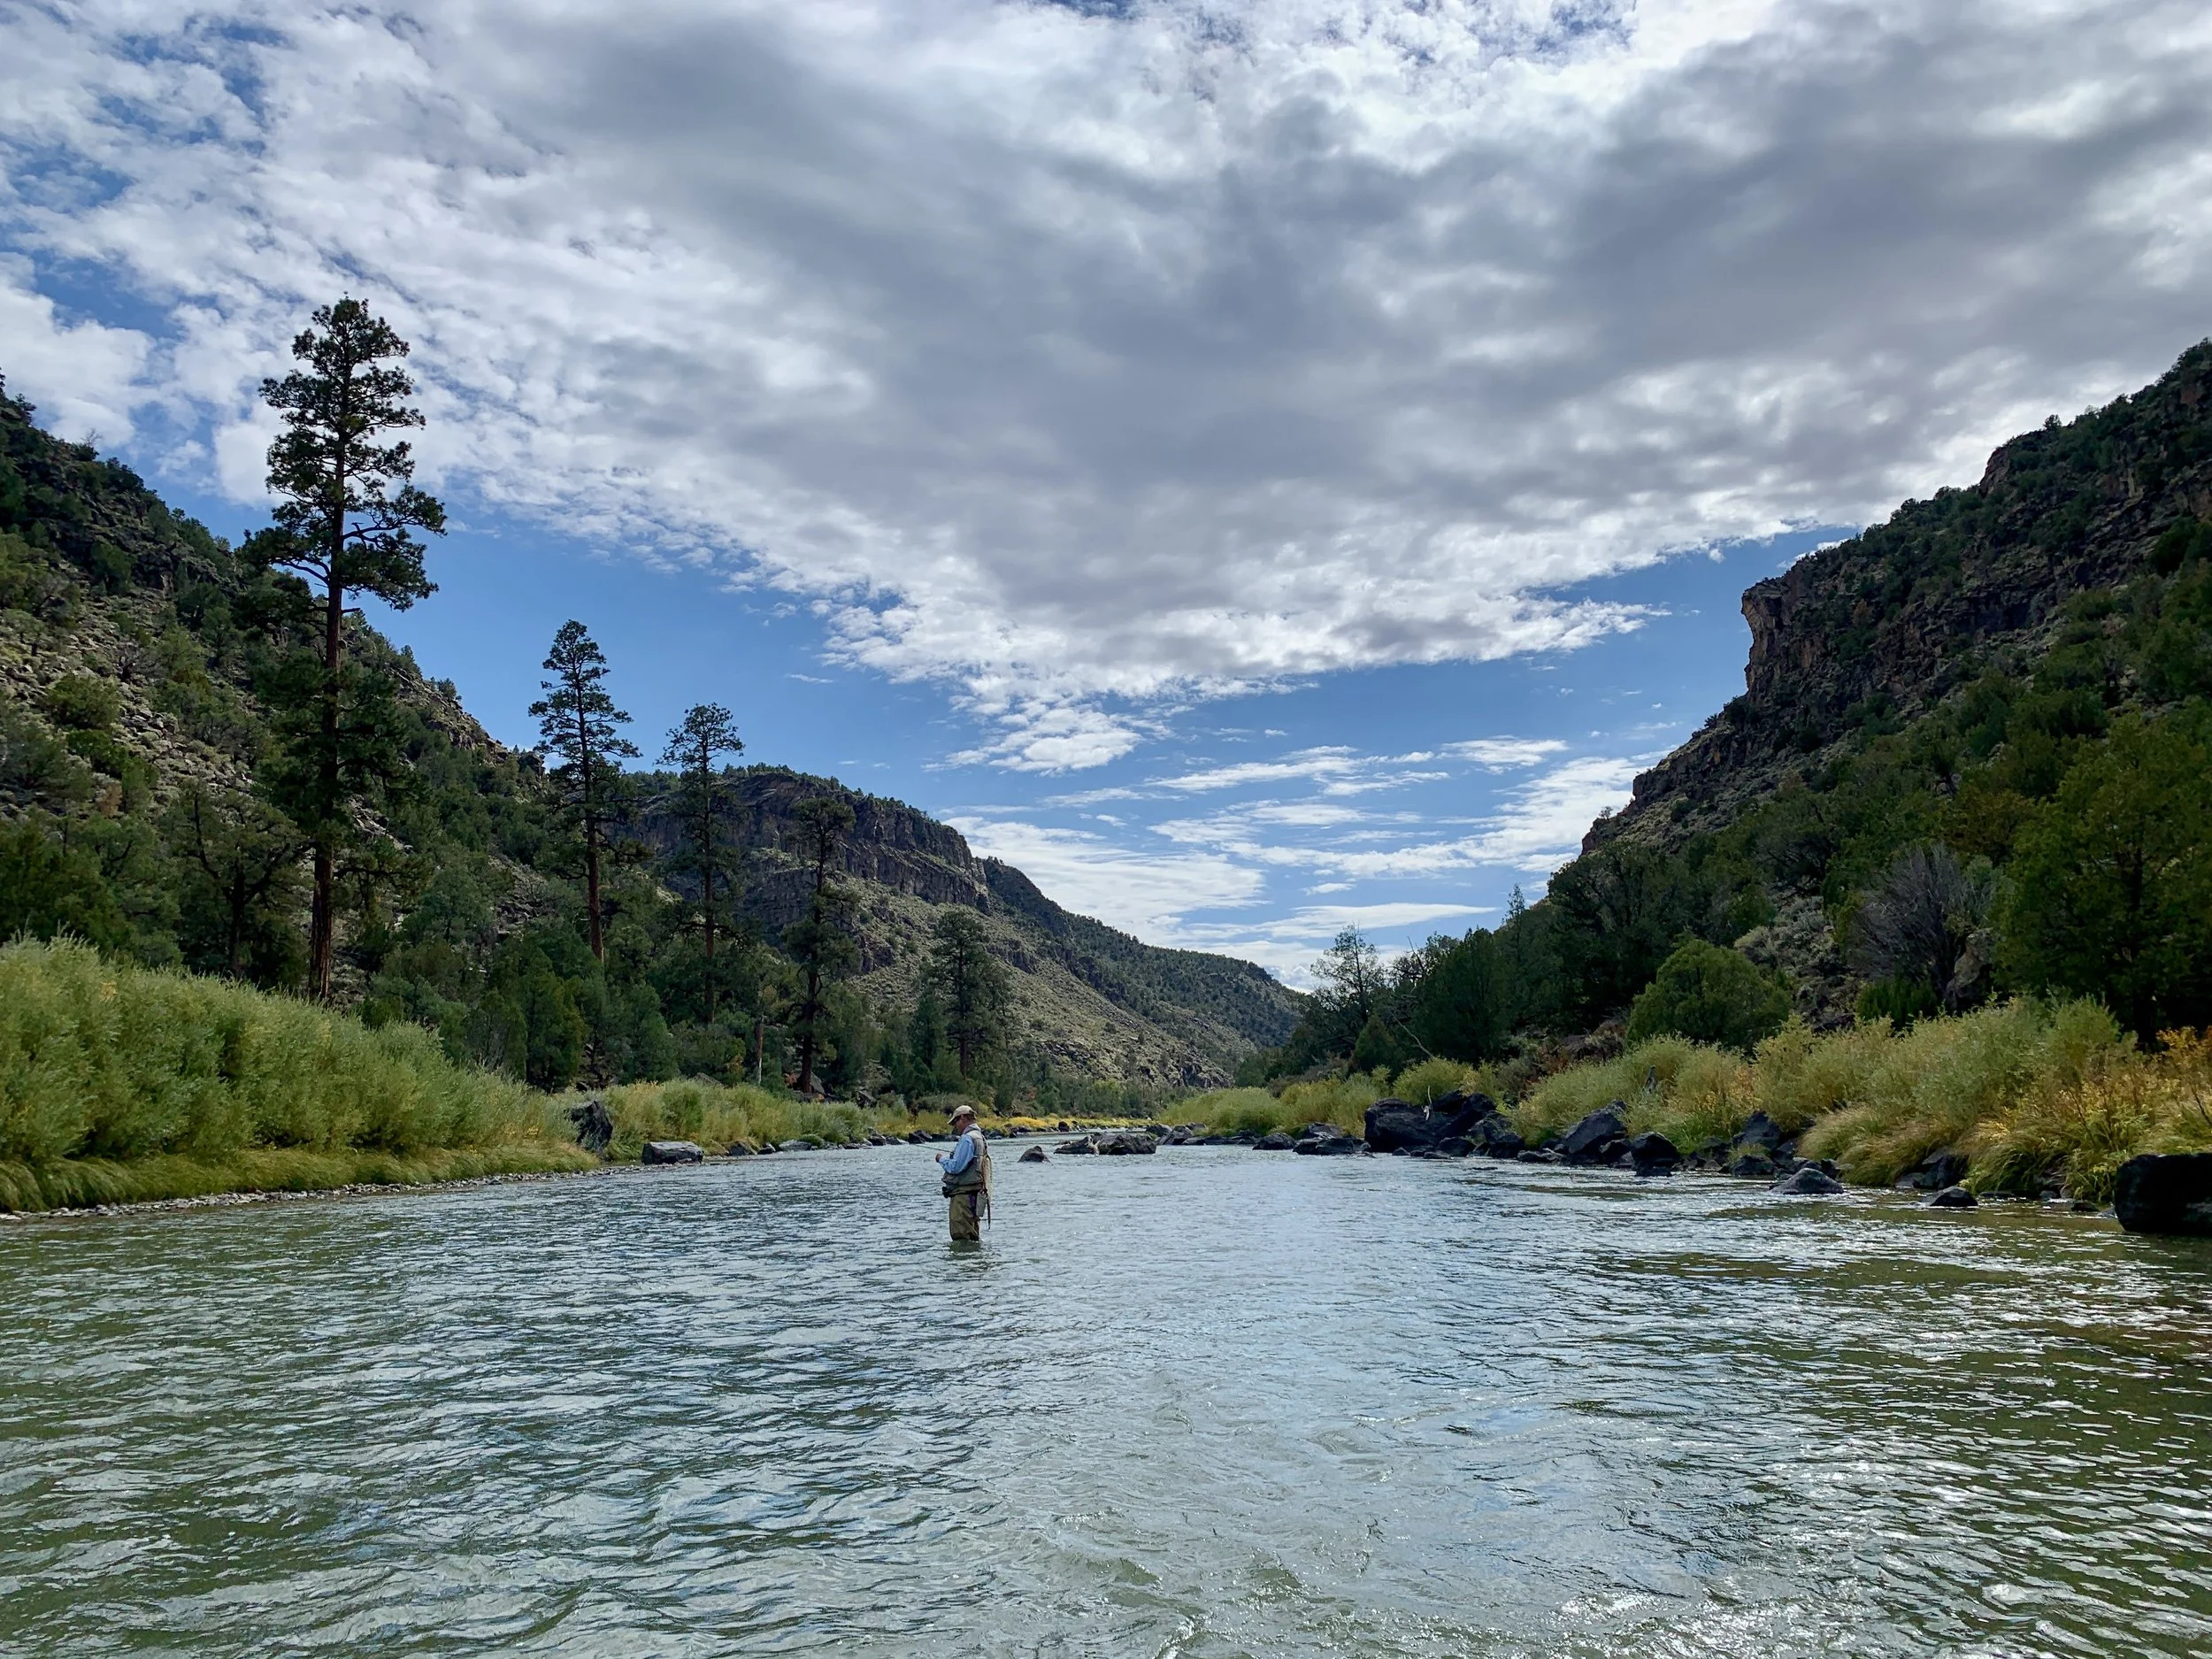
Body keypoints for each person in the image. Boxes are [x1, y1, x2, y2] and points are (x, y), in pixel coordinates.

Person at [936, 1102, 991, 1241]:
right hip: (974, 1196)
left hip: (963, 1198)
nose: (955, 1126)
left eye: (955, 1122)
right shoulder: (980, 1138)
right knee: (972, 1236)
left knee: (961, 1237)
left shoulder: (968, 1138)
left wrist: (941, 1159)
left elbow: (955, 1167)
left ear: (963, 1118)